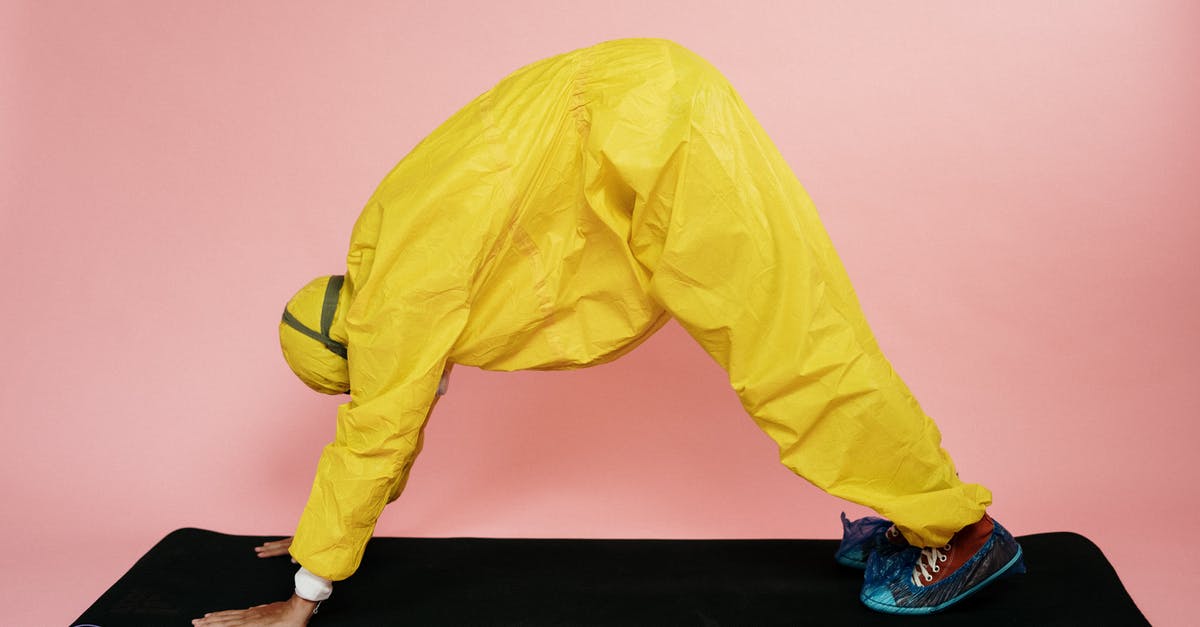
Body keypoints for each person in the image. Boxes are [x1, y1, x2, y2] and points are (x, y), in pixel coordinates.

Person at [193, 38, 1022, 626]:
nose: (395, 376)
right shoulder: (391, 233)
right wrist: (317, 532)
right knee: (797, 333)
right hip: (646, 104)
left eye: (361, 372)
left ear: (355, 346)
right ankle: (914, 513)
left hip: (652, 140)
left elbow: (379, 429)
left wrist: (309, 585)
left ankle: (957, 531)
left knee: (793, 353)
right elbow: (393, 412)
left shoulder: (397, 303)